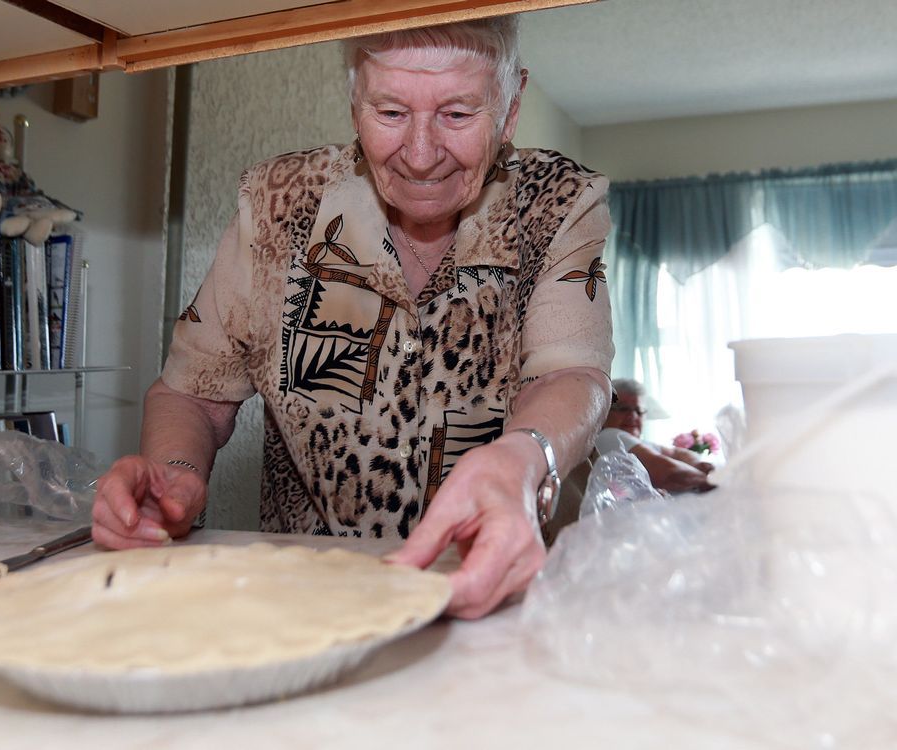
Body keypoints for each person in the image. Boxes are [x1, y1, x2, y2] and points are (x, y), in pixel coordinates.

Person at [91, 16, 615, 619]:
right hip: (313, 604)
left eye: (458, 115)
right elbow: (192, 394)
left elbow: (570, 376)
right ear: (353, 102)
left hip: (498, 605)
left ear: (510, 106)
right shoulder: (273, 206)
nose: (420, 155)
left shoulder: (559, 202)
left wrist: (525, 459)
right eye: (390, 113)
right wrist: (173, 476)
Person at [595, 378, 714, 493]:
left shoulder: (641, 443)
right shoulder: (609, 436)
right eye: (623, 409)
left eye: (639, 410)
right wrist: (714, 481)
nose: (633, 416)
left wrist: (698, 464)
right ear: (605, 412)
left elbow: (676, 453)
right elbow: (668, 473)